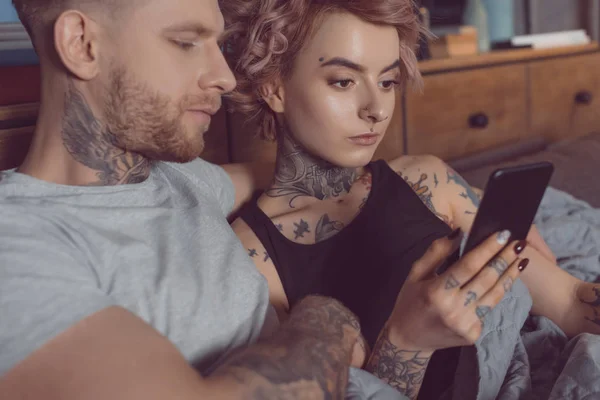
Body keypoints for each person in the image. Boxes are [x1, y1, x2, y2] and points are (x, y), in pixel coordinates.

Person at [0, 0, 381, 399]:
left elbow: (273, 176)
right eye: (186, 42)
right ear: (81, 44)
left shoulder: (182, 177)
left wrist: (387, 169)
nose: (225, 78)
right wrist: (324, 321)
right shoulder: (18, 244)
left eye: (217, 44)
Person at [224, 0, 600, 398]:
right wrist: (407, 342)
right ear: (274, 87)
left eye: (387, 82)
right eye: (343, 81)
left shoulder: (428, 180)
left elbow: (570, 300)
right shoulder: (251, 258)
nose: (376, 109)